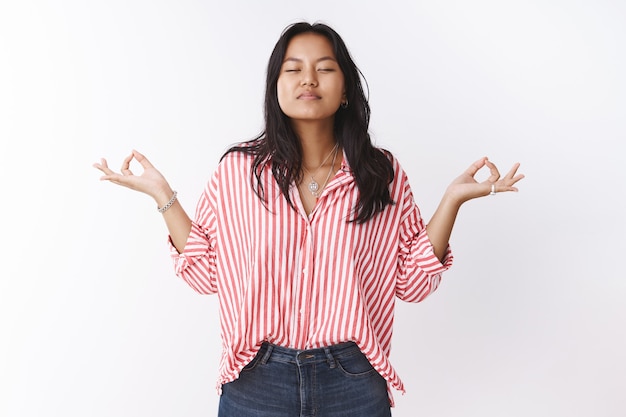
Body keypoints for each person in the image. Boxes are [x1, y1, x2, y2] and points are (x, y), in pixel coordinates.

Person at [93, 21, 523, 417]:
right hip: (255, 380)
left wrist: (451, 200)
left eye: (324, 68)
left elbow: (412, 284)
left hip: (352, 382)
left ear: (347, 89)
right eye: (293, 69)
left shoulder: (380, 174)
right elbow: (205, 275)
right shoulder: (240, 173)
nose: (309, 80)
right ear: (275, 87)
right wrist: (163, 195)